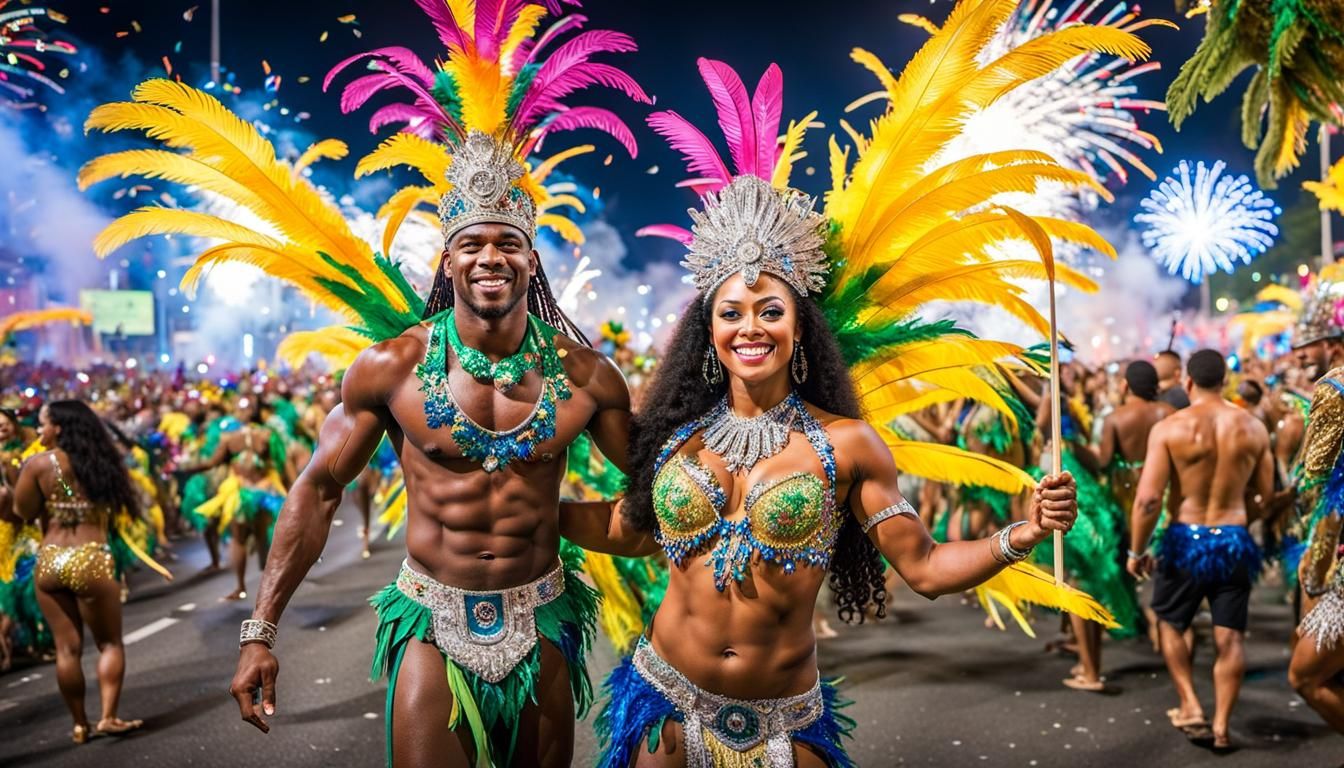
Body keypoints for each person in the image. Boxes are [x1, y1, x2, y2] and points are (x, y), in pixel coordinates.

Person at [559, 49, 1100, 767]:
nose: (750, 326)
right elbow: (634, 532)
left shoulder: (848, 445)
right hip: (665, 702)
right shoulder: (676, 437)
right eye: (732, 313)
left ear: (798, 327)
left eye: (770, 309)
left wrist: (1024, 533)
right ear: (708, 332)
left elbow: (929, 567)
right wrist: (537, 509)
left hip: (782, 721)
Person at [222, 2, 649, 765]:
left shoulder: (586, 375)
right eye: (474, 244)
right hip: (431, 619)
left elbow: (661, 491)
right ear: (447, 262)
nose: (492, 257)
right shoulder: (391, 367)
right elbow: (318, 490)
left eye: (509, 243)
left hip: (544, 617)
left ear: (531, 260)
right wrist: (260, 630)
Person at [1129, 350, 1274, 752]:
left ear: (1187, 382)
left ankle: (1191, 705)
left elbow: (1147, 500)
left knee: (1171, 622)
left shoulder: (1171, 429)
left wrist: (1136, 549)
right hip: (1232, 539)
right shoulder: (1254, 428)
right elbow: (1266, 494)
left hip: (1183, 539)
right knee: (1231, 637)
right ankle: (1223, 725)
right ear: (1225, 380)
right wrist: (1242, 518)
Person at [10, 401, 148, 743]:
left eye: (42, 424)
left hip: (52, 560)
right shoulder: (103, 463)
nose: (38, 430)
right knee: (110, 643)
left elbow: (22, 510)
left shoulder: (37, 465)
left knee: (66, 649)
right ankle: (108, 717)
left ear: (58, 427)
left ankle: (78, 725)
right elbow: (124, 508)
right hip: (91, 558)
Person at [1284, 280, 1344, 732]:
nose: (1300, 355)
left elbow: (1315, 471)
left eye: (1306, 347)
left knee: (1305, 675)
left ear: (1331, 344)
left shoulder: (1333, 389)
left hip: (1336, 541)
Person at [1082, 360, 1174, 654]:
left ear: (1126, 385)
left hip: (1126, 495)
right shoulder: (1170, 414)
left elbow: (1105, 462)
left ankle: (1139, 617)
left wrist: (1079, 450)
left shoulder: (1115, 419)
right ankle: (1164, 624)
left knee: (1129, 555)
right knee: (1164, 560)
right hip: (1165, 489)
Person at [181, 395, 286, 601]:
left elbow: (212, 462)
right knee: (263, 538)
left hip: (240, 494)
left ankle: (240, 587)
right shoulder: (265, 434)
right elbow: (279, 464)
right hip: (264, 493)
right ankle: (270, 591)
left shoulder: (229, 439)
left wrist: (187, 469)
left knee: (238, 540)